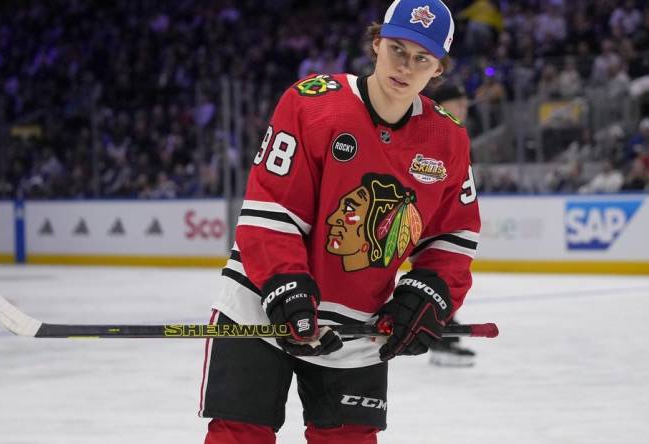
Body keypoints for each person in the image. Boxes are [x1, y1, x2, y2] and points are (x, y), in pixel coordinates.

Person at [200, 1, 480, 442]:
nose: (405, 66)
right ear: (375, 44)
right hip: (261, 305)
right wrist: (286, 285)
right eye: (397, 49)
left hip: (357, 329)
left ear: (438, 69)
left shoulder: (448, 139)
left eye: (421, 58)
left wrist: (432, 292)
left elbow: (452, 236)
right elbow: (271, 207)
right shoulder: (312, 104)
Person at [425, 82, 477, 367]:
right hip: (430, 220)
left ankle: (444, 334)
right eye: (459, 102)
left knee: (442, 277)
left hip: (440, 218)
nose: (465, 108)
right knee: (438, 276)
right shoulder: (436, 133)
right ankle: (441, 338)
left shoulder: (455, 134)